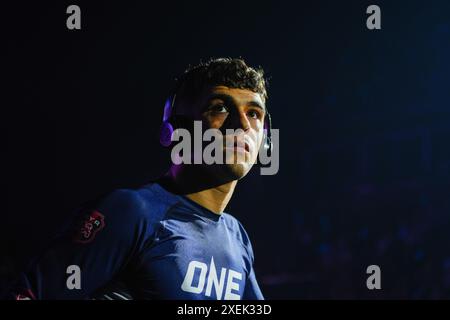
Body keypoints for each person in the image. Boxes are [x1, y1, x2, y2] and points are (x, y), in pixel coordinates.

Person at [5, 58, 270, 300]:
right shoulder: (131, 212)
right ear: (175, 132)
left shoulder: (237, 238)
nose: (243, 124)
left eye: (254, 113)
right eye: (220, 108)